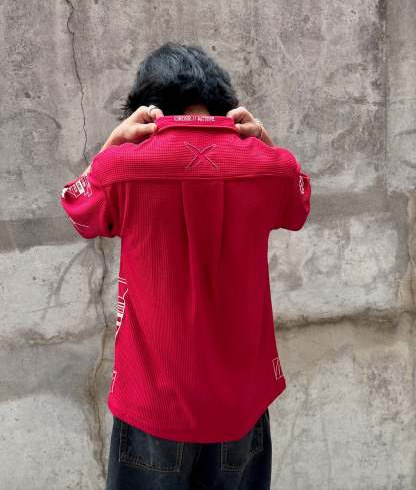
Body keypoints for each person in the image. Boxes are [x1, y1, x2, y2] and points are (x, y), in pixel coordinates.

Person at [60, 42, 311, 489]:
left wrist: (113, 144)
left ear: (146, 106)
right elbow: (296, 205)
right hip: (240, 406)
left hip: (152, 406)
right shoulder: (269, 166)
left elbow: (79, 208)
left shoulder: (122, 167)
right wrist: (264, 141)